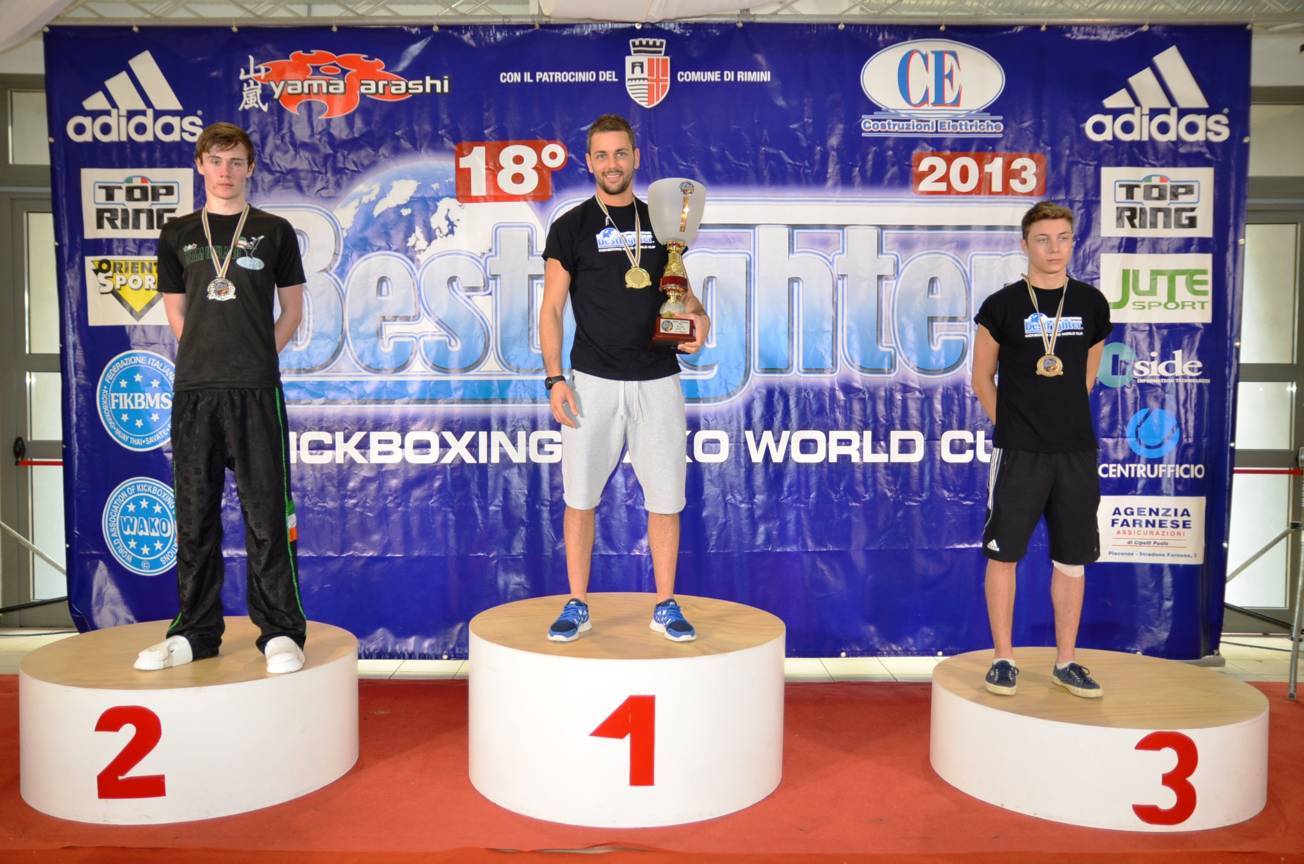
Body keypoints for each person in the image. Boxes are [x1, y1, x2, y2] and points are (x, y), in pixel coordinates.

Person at [135, 122, 308, 674]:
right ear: (200, 165)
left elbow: (293, 311)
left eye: (235, 162)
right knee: (194, 518)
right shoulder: (178, 232)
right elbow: (177, 312)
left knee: (267, 516)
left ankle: (281, 632)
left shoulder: (275, 230)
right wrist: (207, 358)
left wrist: (255, 356)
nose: (225, 172)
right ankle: (195, 631)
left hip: (256, 392)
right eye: (215, 160)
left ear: (250, 168)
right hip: (195, 394)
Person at [539, 114, 711, 643]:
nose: (611, 164)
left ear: (635, 158)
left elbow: (680, 292)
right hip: (591, 381)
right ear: (588, 162)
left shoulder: (662, 222)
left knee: (667, 499)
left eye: (620, 153)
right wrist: (555, 379)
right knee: (580, 498)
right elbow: (551, 310)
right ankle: (577, 603)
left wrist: (700, 318)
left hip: (658, 378)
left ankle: (665, 604)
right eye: (602, 155)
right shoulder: (570, 226)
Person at [971, 200, 1112, 698]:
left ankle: (1066, 661)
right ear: (1025, 244)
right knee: (1004, 554)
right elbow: (981, 378)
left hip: (1075, 451)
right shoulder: (1002, 305)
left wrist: (1059, 421)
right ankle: (1003, 658)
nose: (1054, 248)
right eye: (1043, 239)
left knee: (1072, 558)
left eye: (1063, 238)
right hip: (1019, 452)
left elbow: (1087, 376)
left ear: (1073, 242)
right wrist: (1013, 427)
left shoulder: (1091, 304)